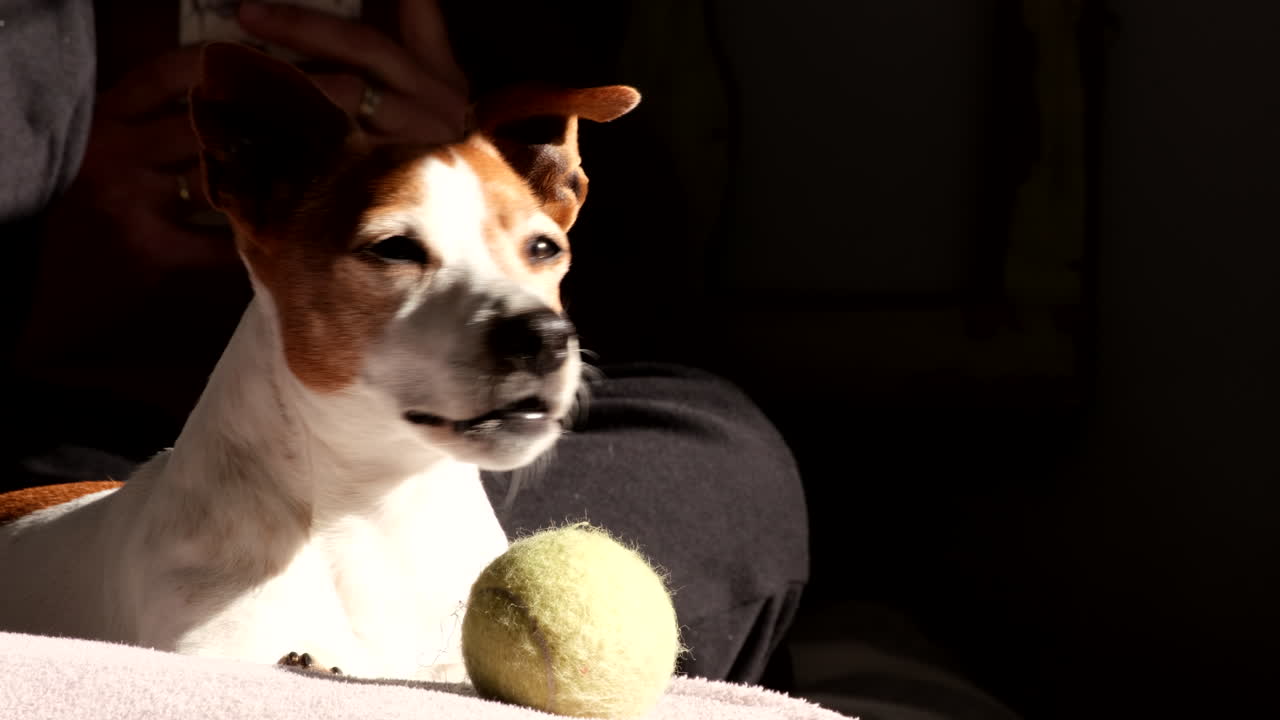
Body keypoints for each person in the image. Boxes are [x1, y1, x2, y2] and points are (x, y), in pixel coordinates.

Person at [0, 0, 809, 687]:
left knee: (723, 449)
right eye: (397, 250)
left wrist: (454, 153)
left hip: (449, 474)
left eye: (540, 248)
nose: (538, 328)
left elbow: (659, 266)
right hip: (53, 413)